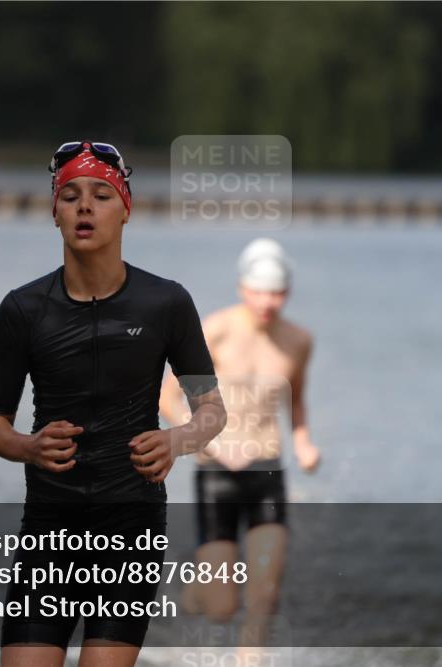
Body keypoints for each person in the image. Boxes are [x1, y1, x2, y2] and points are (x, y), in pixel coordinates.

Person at [0, 141, 227, 667]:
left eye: (100, 196)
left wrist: (176, 439)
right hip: (49, 527)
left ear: (125, 209)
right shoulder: (23, 309)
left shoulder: (167, 303)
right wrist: (28, 446)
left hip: (130, 528)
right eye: (69, 196)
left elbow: (212, 409)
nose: (84, 207)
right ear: (55, 213)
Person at [158, 237, 321, 654]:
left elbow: (296, 399)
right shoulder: (215, 329)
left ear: (288, 292)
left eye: (278, 292)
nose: (268, 301)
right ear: (242, 288)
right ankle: (196, 589)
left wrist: (303, 442)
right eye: (260, 290)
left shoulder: (299, 340)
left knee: (264, 596)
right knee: (220, 608)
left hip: (267, 471)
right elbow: (168, 399)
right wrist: (207, 441)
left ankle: (250, 663)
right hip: (217, 473)